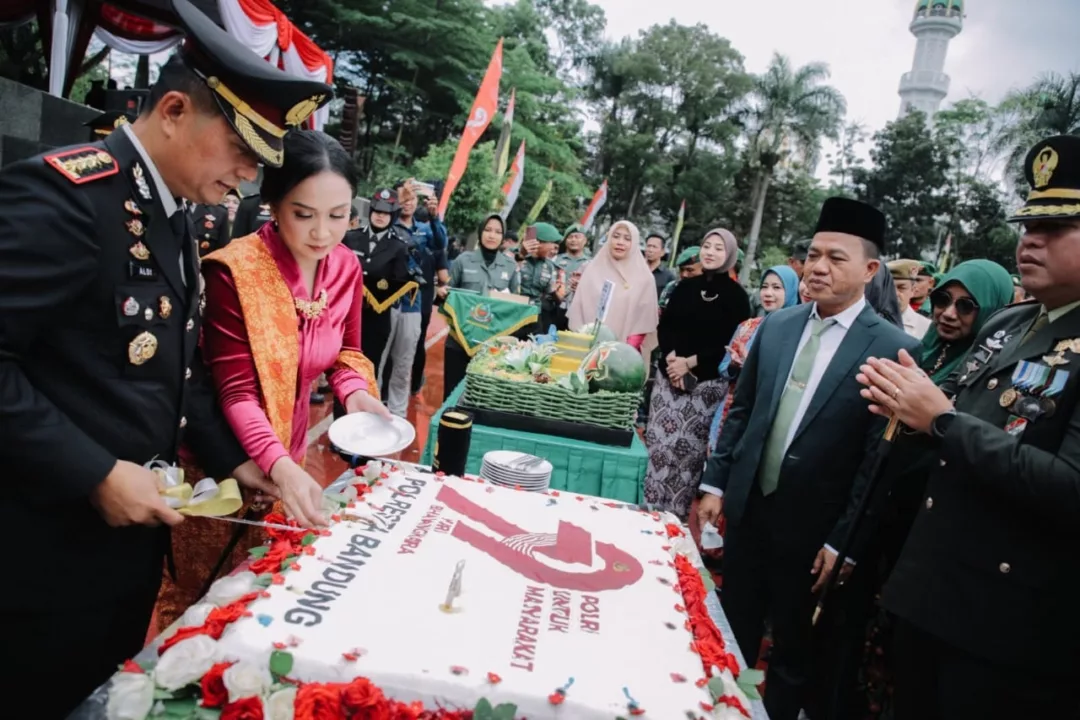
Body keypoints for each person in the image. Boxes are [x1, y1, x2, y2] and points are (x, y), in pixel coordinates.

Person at [0, 0, 330, 713]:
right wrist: (92, 472)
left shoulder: (174, 214)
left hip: (121, 558)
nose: (247, 178)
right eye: (241, 152)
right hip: (37, 559)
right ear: (175, 110)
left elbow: (175, 378)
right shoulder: (69, 197)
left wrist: (244, 463)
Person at [859, 135, 1080, 719]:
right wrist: (905, 410)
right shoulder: (1011, 322)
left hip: (1006, 626)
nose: (1030, 238)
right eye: (1029, 223)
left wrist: (941, 421)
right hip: (932, 589)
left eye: (1056, 229)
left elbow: (1069, 486)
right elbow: (952, 420)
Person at [696, 197, 919, 720]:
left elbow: (878, 458)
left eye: (836, 259)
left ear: (869, 270)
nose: (818, 267)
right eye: (814, 255)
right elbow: (742, 411)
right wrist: (716, 483)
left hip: (817, 532)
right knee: (731, 634)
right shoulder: (777, 326)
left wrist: (845, 540)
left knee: (795, 654)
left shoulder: (890, 346)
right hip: (751, 512)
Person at [645, 229, 750, 519]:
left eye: (719, 248)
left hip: (706, 387)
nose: (711, 252)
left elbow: (731, 344)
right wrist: (672, 361)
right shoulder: (684, 287)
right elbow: (666, 328)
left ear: (728, 255)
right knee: (658, 447)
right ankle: (648, 513)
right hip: (668, 380)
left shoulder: (738, 298)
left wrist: (689, 362)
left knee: (686, 455)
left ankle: (674, 521)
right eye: (707, 246)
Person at [707, 265, 800, 454]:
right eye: (764, 286)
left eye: (776, 288)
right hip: (731, 411)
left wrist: (751, 365)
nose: (768, 293)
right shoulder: (747, 326)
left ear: (790, 291)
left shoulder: (797, 333)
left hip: (767, 418)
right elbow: (724, 369)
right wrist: (734, 365)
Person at [341, 188, 416, 388]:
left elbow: (399, 283)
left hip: (376, 319)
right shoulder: (350, 238)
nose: (381, 216)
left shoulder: (399, 247)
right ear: (371, 211)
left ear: (393, 216)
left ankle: (361, 417)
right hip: (346, 316)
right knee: (343, 369)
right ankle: (341, 417)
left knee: (366, 371)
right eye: (377, 211)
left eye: (386, 213)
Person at [442, 213, 523, 397]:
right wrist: (443, 292)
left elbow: (515, 305)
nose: (492, 235)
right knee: (452, 393)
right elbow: (448, 295)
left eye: (497, 232)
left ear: (503, 237)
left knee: (481, 396)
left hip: (492, 344)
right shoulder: (463, 260)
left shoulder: (510, 266)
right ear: (480, 232)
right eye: (487, 230)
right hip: (459, 340)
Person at [568, 220, 659, 350]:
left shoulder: (645, 279)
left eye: (627, 239)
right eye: (615, 236)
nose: (620, 242)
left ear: (634, 244)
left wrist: (622, 352)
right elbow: (579, 310)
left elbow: (643, 322)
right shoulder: (591, 269)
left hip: (623, 354)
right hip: (585, 347)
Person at [518, 222, 563, 331]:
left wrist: (556, 291)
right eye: (552, 243)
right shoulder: (516, 257)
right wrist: (520, 255)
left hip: (535, 314)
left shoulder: (549, 266)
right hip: (515, 312)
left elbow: (549, 292)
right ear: (538, 242)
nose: (553, 249)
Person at [553, 223, 591, 329]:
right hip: (556, 307)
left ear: (585, 241)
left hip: (579, 309)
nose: (573, 240)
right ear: (565, 241)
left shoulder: (590, 263)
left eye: (577, 237)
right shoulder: (556, 260)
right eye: (570, 237)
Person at [888, 259, 932, 339]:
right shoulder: (870, 318)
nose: (895, 293)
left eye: (901, 288)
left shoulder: (926, 327)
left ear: (913, 290)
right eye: (889, 287)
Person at [645, 232, 676, 299]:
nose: (650, 250)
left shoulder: (669, 276)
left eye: (654, 247)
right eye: (648, 246)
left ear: (662, 252)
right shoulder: (636, 270)